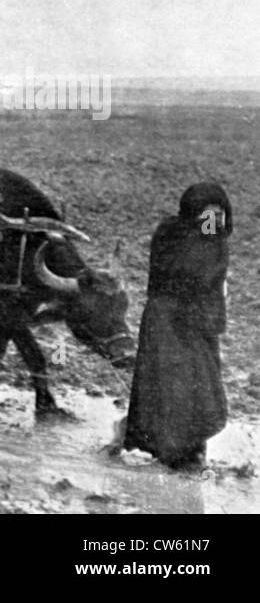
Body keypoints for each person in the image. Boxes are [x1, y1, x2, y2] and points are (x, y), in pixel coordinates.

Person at [121, 182, 232, 470]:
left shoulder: (190, 233)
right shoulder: (174, 233)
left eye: (219, 214)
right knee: (169, 383)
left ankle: (188, 450)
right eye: (209, 214)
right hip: (169, 318)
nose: (214, 221)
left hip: (193, 319)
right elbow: (192, 268)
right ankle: (169, 451)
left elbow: (207, 271)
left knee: (196, 384)